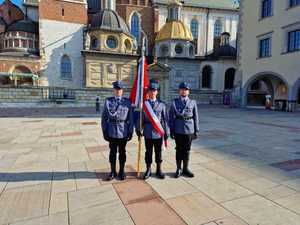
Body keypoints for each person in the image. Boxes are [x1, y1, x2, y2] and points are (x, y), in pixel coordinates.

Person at [136, 81, 169, 180]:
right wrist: (138, 129)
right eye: (151, 90)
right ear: (148, 92)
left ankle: (159, 170)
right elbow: (140, 118)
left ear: (157, 92)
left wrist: (167, 132)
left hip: (158, 133)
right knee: (148, 152)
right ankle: (148, 169)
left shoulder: (162, 104)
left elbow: (165, 119)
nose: (153, 92)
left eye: (154, 90)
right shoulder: (144, 105)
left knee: (158, 152)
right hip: (148, 132)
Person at [101, 81, 133, 180]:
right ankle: (113, 171)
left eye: (120, 89)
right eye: (116, 89)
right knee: (112, 152)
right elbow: (104, 118)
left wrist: (130, 131)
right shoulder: (108, 101)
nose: (118, 91)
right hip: (111, 131)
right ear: (113, 90)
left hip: (123, 131)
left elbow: (130, 118)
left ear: (122, 91)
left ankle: (122, 171)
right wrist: (105, 131)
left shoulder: (127, 102)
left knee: (122, 153)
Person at [169, 82, 199, 178]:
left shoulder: (193, 102)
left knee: (187, 150)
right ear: (179, 91)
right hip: (178, 130)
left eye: (186, 89)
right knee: (178, 150)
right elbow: (171, 118)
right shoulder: (174, 102)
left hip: (189, 130)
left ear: (188, 91)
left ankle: (185, 168)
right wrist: (172, 130)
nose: (184, 91)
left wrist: (196, 130)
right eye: (182, 89)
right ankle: (178, 169)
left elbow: (196, 117)